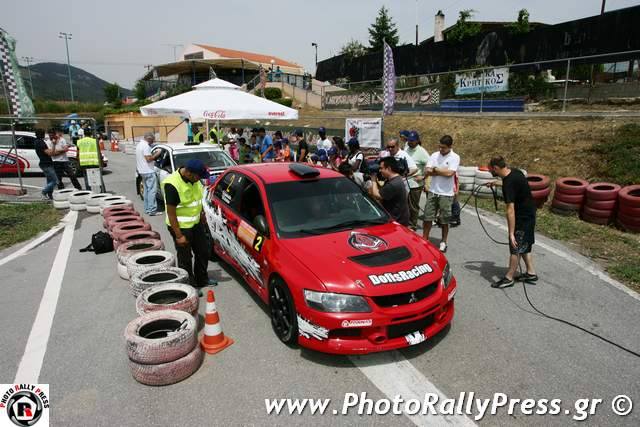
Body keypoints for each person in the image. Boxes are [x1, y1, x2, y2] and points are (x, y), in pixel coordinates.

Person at [161, 159, 216, 288]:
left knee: (203, 251)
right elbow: (171, 213)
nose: (200, 179)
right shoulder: (172, 185)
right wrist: (179, 236)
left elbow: (197, 199)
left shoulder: (195, 180)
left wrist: (202, 214)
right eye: (199, 176)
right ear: (189, 173)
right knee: (185, 257)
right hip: (180, 227)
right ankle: (188, 285)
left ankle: (202, 279)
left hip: (196, 223)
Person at [487, 156, 538, 288]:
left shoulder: (508, 184)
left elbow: (510, 210)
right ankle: (531, 273)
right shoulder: (515, 172)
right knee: (524, 244)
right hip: (530, 213)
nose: (489, 171)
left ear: (495, 168)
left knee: (515, 247)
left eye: (490, 169)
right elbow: (513, 184)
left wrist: (511, 234)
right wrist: (496, 183)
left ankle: (509, 277)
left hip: (522, 217)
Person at [422, 135, 460, 253]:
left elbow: (450, 174)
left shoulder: (455, 157)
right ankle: (425, 239)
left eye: (443, 147)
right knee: (427, 217)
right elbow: (427, 170)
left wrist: (435, 169)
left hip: (446, 193)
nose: (440, 149)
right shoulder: (434, 155)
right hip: (433, 191)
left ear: (450, 146)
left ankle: (443, 241)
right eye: (439, 147)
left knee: (444, 220)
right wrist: (440, 171)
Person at [368, 156, 410, 226]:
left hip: (397, 221)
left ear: (389, 168)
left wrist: (373, 180)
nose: (379, 171)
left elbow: (377, 195)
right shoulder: (395, 179)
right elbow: (383, 191)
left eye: (381, 168)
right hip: (398, 218)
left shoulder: (394, 184)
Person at [405, 131, 429, 230]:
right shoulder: (406, 148)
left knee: (413, 206)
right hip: (405, 181)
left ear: (417, 141)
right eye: (409, 140)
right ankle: (405, 222)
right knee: (405, 204)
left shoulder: (422, 152)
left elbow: (430, 165)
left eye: (412, 141)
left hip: (415, 183)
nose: (410, 142)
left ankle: (412, 225)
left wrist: (423, 176)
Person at [136, 132, 162, 216]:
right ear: (149, 138)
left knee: (147, 191)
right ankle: (152, 210)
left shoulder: (139, 145)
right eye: (152, 140)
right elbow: (149, 159)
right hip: (148, 171)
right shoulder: (146, 146)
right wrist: (158, 153)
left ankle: (147, 209)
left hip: (142, 171)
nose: (153, 142)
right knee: (152, 191)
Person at [34, 129, 57, 200]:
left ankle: (50, 195)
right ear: (42, 134)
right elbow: (50, 153)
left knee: (49, 181)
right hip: (46, 164)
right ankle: (44, 192)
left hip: (44, 163)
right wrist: (54, 144)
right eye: (44, 134)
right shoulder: (41, 143)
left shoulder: (36, 141)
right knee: (55, 181)